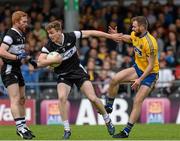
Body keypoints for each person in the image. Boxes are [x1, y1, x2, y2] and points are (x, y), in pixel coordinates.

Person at [37, 20, 120, 139]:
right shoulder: (49, 46)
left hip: (78, 72)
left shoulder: (71, 36)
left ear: (59, 31)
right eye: (48, 33)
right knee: (61, 98)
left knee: (93, 98)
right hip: (63, 75)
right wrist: (52, 61)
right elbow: (40, 62)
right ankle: (67, 130)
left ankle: (107, 120)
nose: (50, 36)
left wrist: (110, 36)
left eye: (52, 33)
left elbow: (91, 32)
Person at [105, 16, 159, 138]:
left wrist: (139, 80)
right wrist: (118, 35)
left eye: (134, 26)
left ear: (142, 27)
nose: (132, 28)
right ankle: (109, 106)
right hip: (138, 69)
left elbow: (151, 66)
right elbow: (129, 38)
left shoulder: (150, 43)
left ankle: (126, 131)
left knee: (137, 101)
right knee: (114, 79)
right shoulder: (135, 34)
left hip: (150, 74)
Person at [0, 11, 36, 140]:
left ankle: (24, 126)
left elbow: (20, 52)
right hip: (9, 69)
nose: (26, 24)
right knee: (15, 99)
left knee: (22, 99)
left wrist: (29, 59)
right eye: (24, 22)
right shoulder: (10, 35)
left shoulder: (21, 34)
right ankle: (20, 128)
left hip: (17, 69)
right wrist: (16, 57)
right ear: (16, 22)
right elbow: (1, 51)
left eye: (26, 21)